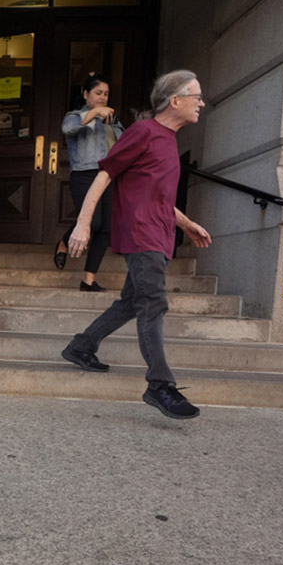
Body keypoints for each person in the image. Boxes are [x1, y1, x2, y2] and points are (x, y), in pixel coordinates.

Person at [59, 70, 213, 420]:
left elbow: (157, 197)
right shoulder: (144, 132)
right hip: (141, 234)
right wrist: (83, 224)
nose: (201, 103)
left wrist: (187, 225)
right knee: (153, 302)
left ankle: (82, 346)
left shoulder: (168, 141)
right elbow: (105, 173)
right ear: (175, 100)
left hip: (159, 233)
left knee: (132, 301)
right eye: (196, 96)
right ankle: (159, 384)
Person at [55, 73, 123, 292]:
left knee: (106, 229)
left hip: (110, 176)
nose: (102, 98)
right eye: (98, 93)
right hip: (84, 174)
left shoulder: (114, 120)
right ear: (86, 94)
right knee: (92, 222)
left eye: (106, 94)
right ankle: (64, 243)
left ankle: (88, 280)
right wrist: (94, 113)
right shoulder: (74, 116)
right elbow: (68, 130)